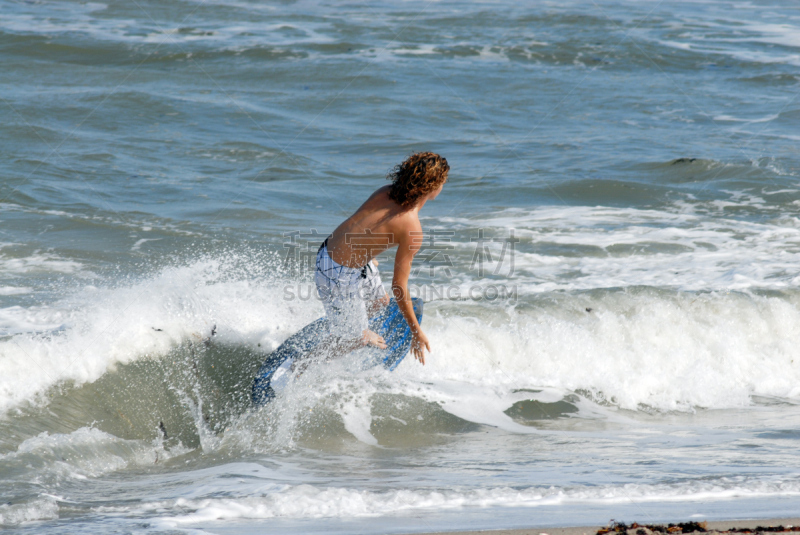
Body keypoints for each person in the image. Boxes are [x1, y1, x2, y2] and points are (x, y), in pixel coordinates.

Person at [314, 152, 449, 365]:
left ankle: (346, 321)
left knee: (380, 302)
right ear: (434, 186)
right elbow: (399, 287)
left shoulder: (384, 192)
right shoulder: (412, 227)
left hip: (331, 252)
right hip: (336, 273)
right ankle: (303, 364)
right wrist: (416, 332)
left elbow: (360, 228)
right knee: (357, 339)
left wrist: (367, 256)